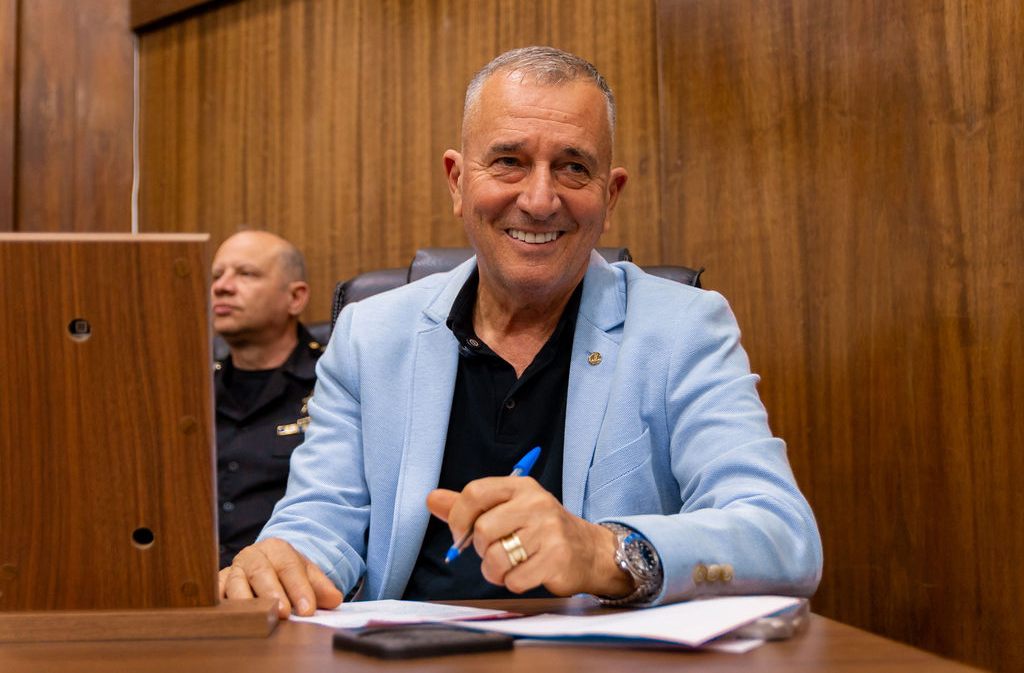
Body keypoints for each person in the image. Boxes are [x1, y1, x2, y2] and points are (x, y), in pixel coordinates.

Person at [220, 47, 822, 618]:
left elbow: (783, 538)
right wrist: (284, 563)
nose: (539, 200)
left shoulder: (684, 327)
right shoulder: (368, 334)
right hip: (406, 654)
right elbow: (319, 522)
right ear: (458, 181)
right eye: (508, 161)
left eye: (573, 168)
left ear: (610, 196)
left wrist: (604, 551)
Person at [211, 229, 324, 569]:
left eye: (246, 274)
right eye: (217, 275)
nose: (222, 286)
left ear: (295, 298)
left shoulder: (333, 383)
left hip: (291, 580)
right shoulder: (191, 390)